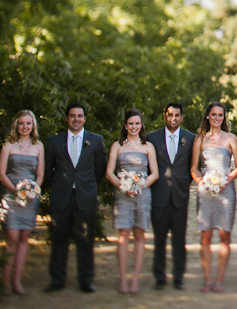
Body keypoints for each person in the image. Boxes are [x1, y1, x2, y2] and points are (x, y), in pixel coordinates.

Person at [43, 102, 107, 293]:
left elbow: (100, 170)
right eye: (72, 116)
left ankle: (86, 280)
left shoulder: (95, 141)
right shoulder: (54, 141)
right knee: (59, 239)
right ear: (66, 118)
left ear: (84, 118)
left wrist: (86, 185)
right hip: (61, 197)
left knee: (85, 239)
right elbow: (47, 171)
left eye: (80, 116)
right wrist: (60, 184)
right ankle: (57, 280)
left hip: (85, 197)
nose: (76, 119)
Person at [105, 109, 159, 294]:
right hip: (123, 195)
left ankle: (135, 277)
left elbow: (155, 174)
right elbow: (109, 172)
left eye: (137, 124)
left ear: (141, 125)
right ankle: (122, 278)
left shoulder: (147, 147)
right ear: (125, 125)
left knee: (139, 234)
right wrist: (124, 185)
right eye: (131, 124)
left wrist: (141, 185)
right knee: (123, 234)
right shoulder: (117, 146)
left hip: (142, 194)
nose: (134, 127)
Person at [190, 102, 237, 292]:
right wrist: (201, 181)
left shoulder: (231, 138)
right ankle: (207, 280)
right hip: (206, 191)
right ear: (207, 116)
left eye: (220, 115)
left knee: (224, 234)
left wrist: (225, 181)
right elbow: (194, 168)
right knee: (206, 235)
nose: (217, 118)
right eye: (213, 115)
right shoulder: (200, 140)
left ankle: (219, 280)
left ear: (224, 118)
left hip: (225, 189)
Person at [147, 102, 197, 290]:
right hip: (158, 196)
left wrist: (183, 184)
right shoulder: (152, 138)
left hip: (179, 196)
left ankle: (178, 277)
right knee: (159, 239)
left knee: (179, 238)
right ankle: (159, 277)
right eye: (170, 115)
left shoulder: (191, 138)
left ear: (181, 118)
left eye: (177, 115)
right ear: (164, 116)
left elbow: (193, 166)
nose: (173, 118)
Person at [0, 110, 45, 295]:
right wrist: (16, 191)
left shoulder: (38, 146)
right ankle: (5, 281)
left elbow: (40, 174)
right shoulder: (8, 145)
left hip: (30, 198)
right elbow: (1, 173)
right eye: (21, 123)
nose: (25, 127)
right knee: (12, 238)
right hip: (11, 195)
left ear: (33, 126)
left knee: (24, 237)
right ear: (16, 125)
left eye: (28, 124)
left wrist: (33, 190)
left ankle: (17, 281)